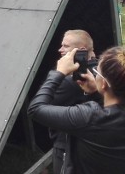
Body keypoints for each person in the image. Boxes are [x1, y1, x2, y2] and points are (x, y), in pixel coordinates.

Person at [28, 46, 125, 174]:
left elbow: (35, 109)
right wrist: (95, 94)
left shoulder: (89, 116)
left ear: (104, 84)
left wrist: (58, 73)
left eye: (97, 72)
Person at [49, 30, 101, 174]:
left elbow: (38, 106)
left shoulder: (72, 80)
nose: (60, 50)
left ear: (81, 50)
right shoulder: (104, 71)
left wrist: (59, 73)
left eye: (65, 46)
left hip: (68, 148)